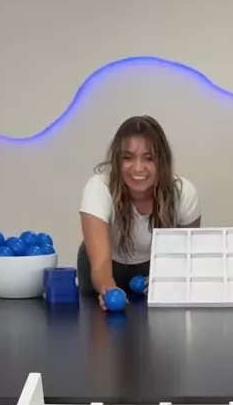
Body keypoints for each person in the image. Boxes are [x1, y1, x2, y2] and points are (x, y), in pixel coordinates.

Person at [78, 115, 201, 307]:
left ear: (162, 161)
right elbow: (100, 265)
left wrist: (168, 277)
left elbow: (189, 254)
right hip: (105, 266)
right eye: (127, 158)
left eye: (149, 158)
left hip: (154, 267)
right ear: (117, 160)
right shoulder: (98, 189)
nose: (138, 168)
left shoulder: (183, 193)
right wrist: (108, 289)